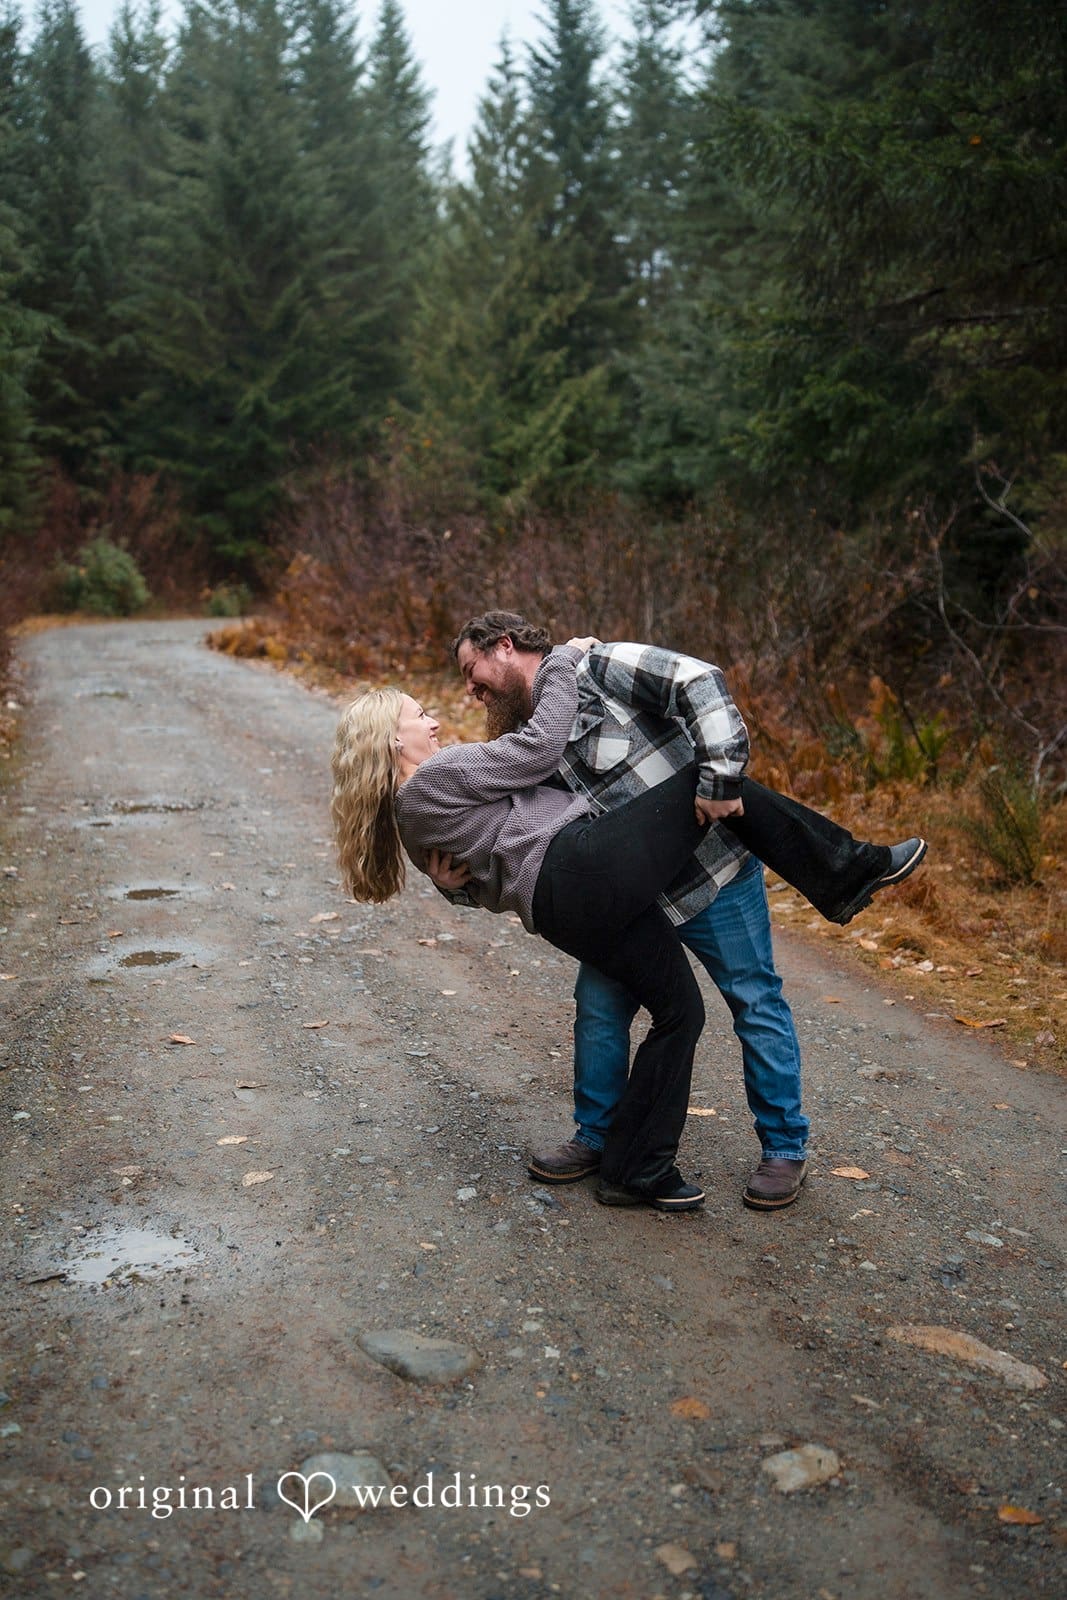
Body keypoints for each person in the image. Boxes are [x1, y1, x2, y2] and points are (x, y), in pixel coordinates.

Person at [434, 611, 926, 1210]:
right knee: (598, 1010)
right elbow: (508, 846)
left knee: (754, 1000)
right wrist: (453, 886)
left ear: (504, 647)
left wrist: (720, 778)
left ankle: (783, 1148)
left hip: (713, 873)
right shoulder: (524, 743)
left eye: (472, 671)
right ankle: (596, 1136)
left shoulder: (599, 666)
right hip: (630, 902)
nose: (470, 689)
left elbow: (699, 682)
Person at [332, 641, 718, 1211]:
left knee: (679, 1010)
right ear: (394, 738)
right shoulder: (437, 776)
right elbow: (538, 752)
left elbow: (482, 878)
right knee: (710, 788)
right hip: (575, 875)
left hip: (559, 904)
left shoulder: (411, 814)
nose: (434, 720)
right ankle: (634, 1158)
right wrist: (561, 660)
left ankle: (636, 1165)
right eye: (419, 715)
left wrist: (452, 888)